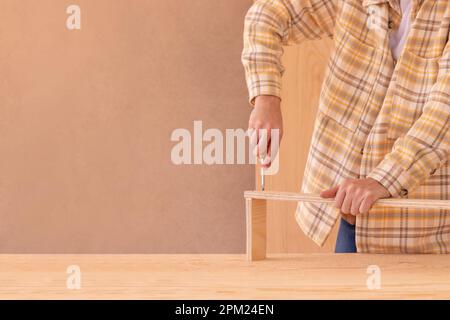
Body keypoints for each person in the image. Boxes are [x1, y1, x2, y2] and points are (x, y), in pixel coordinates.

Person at [242, 0, 449, 253]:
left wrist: (383, 181)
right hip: (356, 220)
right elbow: (266, 15)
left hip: (429, 234)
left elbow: (442, 119)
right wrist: (266, 98)